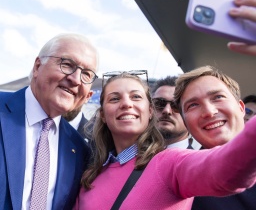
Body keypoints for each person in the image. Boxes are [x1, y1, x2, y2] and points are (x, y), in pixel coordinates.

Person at [73, 70, 256, 210]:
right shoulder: (90, 173)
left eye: (136, 97)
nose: (126, 104)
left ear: (150, 111)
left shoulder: (167, 162)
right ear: (103, 114)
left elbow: (225, 170)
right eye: (114, 98)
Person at [172, 0, 256, 210]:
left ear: (240, 107)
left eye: (217, 97)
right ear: (186, 122)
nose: (209, 111)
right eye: (192, 105)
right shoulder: (176, 175)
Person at [0, 33, 98, 210]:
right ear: (38, 66)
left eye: (86, 74)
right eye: (67, 64)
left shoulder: (79, 149)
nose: (75, 79)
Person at [151, 76, 193, 149]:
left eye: (177, 106)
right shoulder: (131, 155)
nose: (167, 111)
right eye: (159, 103)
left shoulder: (197, 160)